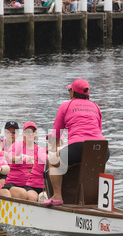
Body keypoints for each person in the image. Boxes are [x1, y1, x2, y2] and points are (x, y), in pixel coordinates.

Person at [45, 78, 107, 206]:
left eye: (70, 91)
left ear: (73, 92)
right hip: (103, 148)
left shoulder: (65, 106)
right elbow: (98, 130)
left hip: (78, 146)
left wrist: (54, 151)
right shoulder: (96, 106)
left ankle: (57, 196)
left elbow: (56, 134)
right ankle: (94, 199)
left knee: (53, 162)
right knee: (92, 167)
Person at [3, 122, 39, 200]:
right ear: (23, 134)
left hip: (28, 184)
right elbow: (10, 158)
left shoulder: (38, 149)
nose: (30, 134)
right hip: (12, 182)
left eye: (32, 132)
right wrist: (23, 158)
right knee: (22, 194)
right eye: (28, 132)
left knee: (33, 197)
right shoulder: (17, 145)